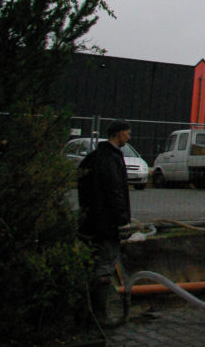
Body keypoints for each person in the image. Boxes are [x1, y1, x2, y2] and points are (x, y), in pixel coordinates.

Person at [77, 119, 133, 326]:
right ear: (118, 134)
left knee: (90, 265)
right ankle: (99, 316)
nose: (128, 137)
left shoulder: (92, 158)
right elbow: (114, 192)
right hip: (106, 226)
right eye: (127, 133)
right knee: (104, 267)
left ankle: (85, 313)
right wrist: (122, 221)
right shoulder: (111, 159)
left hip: (89, 225)